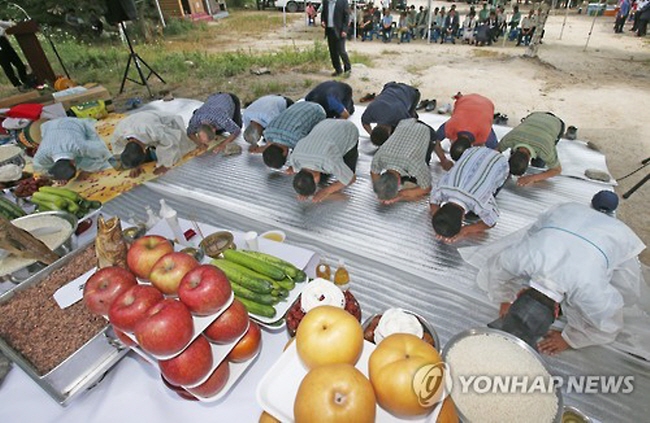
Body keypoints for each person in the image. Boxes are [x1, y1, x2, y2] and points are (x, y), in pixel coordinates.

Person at [470, 201, 645, 355]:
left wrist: (570, 340)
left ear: (520, 291)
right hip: (568, 215)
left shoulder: (590, 290)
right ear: (521, 292)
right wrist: (505, 299)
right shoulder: (521, 257)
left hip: (614, 233)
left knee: (618, 284)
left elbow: (608, 326)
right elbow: (496, 271)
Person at [429, 147, 509, 243]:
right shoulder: (442, 188)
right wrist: (441, 225)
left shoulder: (479, 203)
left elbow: (491, 222)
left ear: (463, 218)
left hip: (500, 162)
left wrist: (465, 230)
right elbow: (433, 202)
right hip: (474, 150)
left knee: (487, 197)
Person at [286, 119, 359, 203]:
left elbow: (351, 179)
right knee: (323, 178)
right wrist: (303, 191)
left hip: (348, 130)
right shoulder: (294, 158)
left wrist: (326, 191)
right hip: (325, 123)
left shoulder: (329, 161)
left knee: (347, 175)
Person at [112, 110, 196, 178]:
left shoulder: (153, 131)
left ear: (144, 151)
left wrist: (164, 165)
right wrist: (134, 166)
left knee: (182, 149)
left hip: (165, 122)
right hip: (135, 121)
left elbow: (169, 143)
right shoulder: (118, 135)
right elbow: (118, 150)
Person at [370, 118, 436, 204]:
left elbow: (426, 188)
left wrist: (399, 195)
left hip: (423, 129)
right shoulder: (379, 157)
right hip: (405, 122)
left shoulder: (414, 165)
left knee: (418, 176)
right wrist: (381, 190)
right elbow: (373, 173)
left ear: (398, 183)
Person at [32, 118, 112, 183]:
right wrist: (55, 176)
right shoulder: (42, 155)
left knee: (94, 161)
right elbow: (39, 167)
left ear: (73, 163)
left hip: (72, 123)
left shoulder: (79, 146)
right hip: (49, 126)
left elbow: (103, 152)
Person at [497, 111, 565, 186]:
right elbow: (496, 151)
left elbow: (557, 170)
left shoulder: (545, 150)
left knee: (538, 164)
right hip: (535, 115)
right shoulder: (510, 139)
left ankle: (538, 165)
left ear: (529, 159)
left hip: (555, 123)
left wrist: (532, 178)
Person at [434, 93, 497, 170]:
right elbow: (434, 141)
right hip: (465, 100)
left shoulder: (485, 133)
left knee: (481, 144)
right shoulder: (451, 126)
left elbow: (496, 151)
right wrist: (443, 160)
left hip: (486, 104)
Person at [261, 101, 327, 169]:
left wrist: (295, 167)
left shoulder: (297, 140)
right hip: (300, 104)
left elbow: (309, 154)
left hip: (318, 111)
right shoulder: (267, 132)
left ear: (284, 153)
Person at [361, 81, 420, 146]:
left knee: (411, 116)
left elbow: (409, 127)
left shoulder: (401, 117)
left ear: (389, 133)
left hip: (411, 92)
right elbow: (365, 123)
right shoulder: (371, 112)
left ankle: (413, 113)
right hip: (390, 87)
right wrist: (372, 134)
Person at [321, 0, 352, 76]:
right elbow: (323, 13)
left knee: (341, 51)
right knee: (333, 52)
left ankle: (347, 69)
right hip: (329, 30)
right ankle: (338, 70)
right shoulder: (325, 2)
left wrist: (344, 30)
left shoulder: (343, 2)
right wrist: (322, 21)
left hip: (340, 31)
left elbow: (346, 16)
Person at [0, 20, 28, 90]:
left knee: (19, 63)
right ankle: (18, 84)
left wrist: (13, 24)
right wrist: (3, 30)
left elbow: (6, 24)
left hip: (4, 43)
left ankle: (25, 80)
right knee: (7, 67)